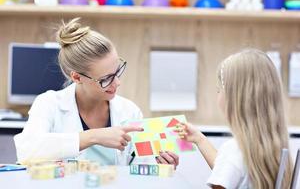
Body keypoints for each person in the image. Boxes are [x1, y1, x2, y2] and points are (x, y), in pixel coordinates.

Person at [14, 18, 179, 167]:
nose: (117, 83)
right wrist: (94, 137)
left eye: (117, 72)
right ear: (77, 77)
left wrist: (161, 166)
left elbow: (141, 171)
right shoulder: (49, 104)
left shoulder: (129, 111)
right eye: (106, 79)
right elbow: (27, 151)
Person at [176, 49, 292, 188]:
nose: (217, 96)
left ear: (234, 99)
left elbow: (230, 167)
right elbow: (232, 171)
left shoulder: (234, 150)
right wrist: (199, 139)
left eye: (219, 90)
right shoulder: (270, 146)